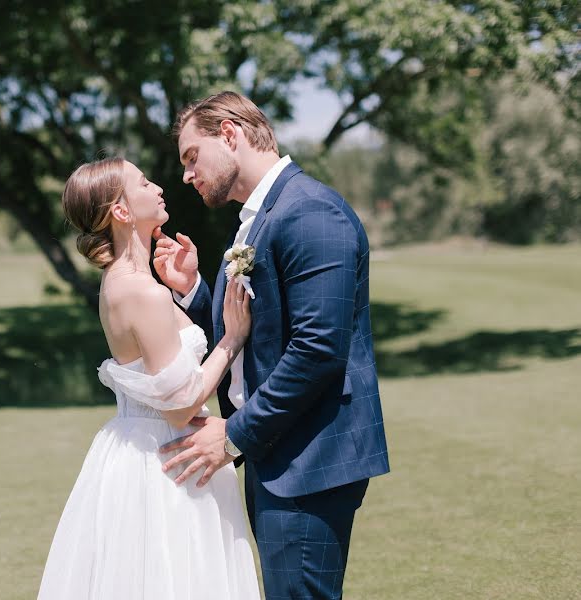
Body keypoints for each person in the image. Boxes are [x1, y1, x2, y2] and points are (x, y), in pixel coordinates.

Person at [153, 91, 391, 599]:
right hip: (280, 453)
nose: (187, 175)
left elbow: (317, 350)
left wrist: (233, 435)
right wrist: (192, 291)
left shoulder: (309, 212)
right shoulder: (266, 213)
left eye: (192, 157)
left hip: (309, 459)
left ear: (230, 135)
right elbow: (259, 332)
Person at [38, 157, 261, 599]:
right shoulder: (140, 291)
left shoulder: (123, 282)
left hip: (138, 448)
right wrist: (231, 340)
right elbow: (180, 406)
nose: (158, 186)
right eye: (143, 182)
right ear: (121, 211)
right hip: (167, 461)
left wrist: (185, 286)